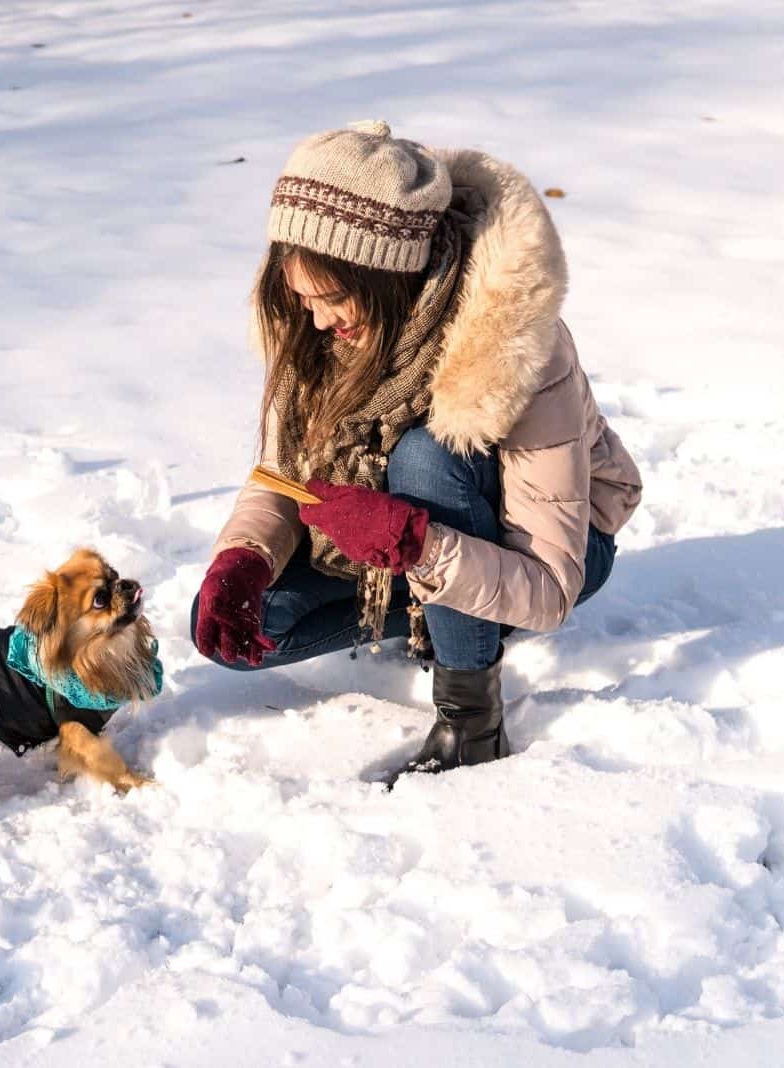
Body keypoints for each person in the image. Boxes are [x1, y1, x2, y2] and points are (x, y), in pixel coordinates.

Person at [190, 121, 643, 779]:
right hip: (409, 542)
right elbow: (290, 473)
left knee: (428, 457)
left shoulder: (518, 345)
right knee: (248, 630)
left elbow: (548, 590)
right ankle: (439, 607)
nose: (316, 319)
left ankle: (472, 722)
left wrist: (416, 545)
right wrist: (244, 559)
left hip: (553, 552)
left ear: (384, 278)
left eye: (332, 299)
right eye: (301, 296)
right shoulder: (317, 327)